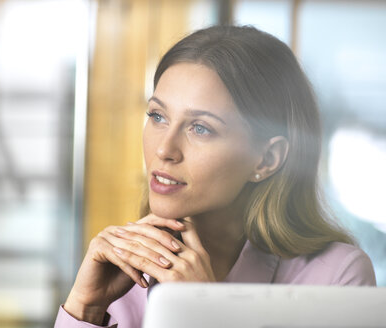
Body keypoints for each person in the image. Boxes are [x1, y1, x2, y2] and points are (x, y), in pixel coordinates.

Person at [54, 25, 376, 328]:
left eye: (201, 128)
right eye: (158, 116)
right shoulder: (123, 275)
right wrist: (84, 309)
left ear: (266, 158)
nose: (165, 149)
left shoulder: (337, 277)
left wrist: (208, 313)